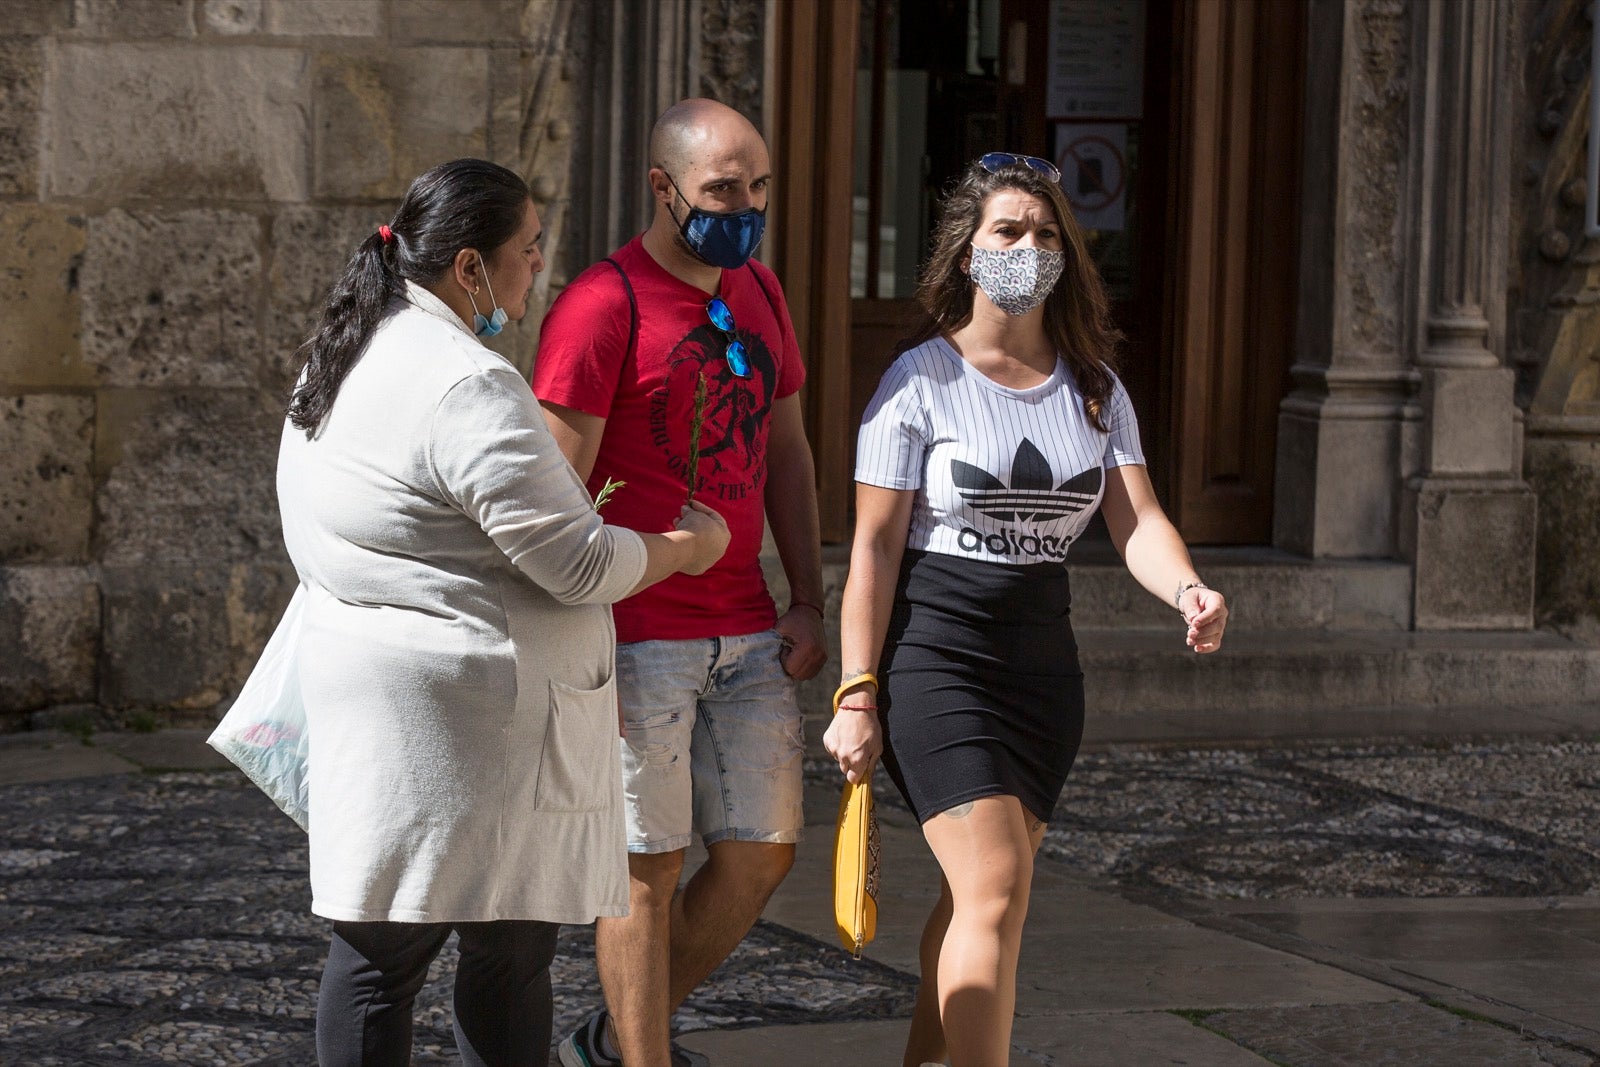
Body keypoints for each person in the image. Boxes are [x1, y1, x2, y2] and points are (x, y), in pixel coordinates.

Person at [275, 157, 730, 1067]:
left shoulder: (344, 352)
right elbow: (579, 561)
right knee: (495, 953)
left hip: (381, 696)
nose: (538, 270)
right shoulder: (466, 381)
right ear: (469, 266)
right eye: (529, 249)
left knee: (387, 954)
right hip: (470, 723)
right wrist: (686, 547)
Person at [824, 153, 1230, 1067]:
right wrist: (857, 691)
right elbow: (874, 549)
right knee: (997, 885)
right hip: (937, 660)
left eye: (1047, 235)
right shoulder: (918, 382)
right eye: (1008, 231)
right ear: (969, 252)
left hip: (1042, 675)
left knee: (978, 898)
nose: (1028, 249)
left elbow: (1138, 520)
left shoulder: (1095, 389)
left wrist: (1188, 588)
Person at [532, 98, 827, 1067]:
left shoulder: (760, 291)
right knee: (644, 870)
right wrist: (570, 639)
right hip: (635, 633)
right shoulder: (599, 305)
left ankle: (616, 1040)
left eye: (760, 187)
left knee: (761, 852)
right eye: (723, 190)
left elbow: (787, 451)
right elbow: (551, 495)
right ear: (663, 188)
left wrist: (807, 595)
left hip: (746, 626)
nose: (746, 208)